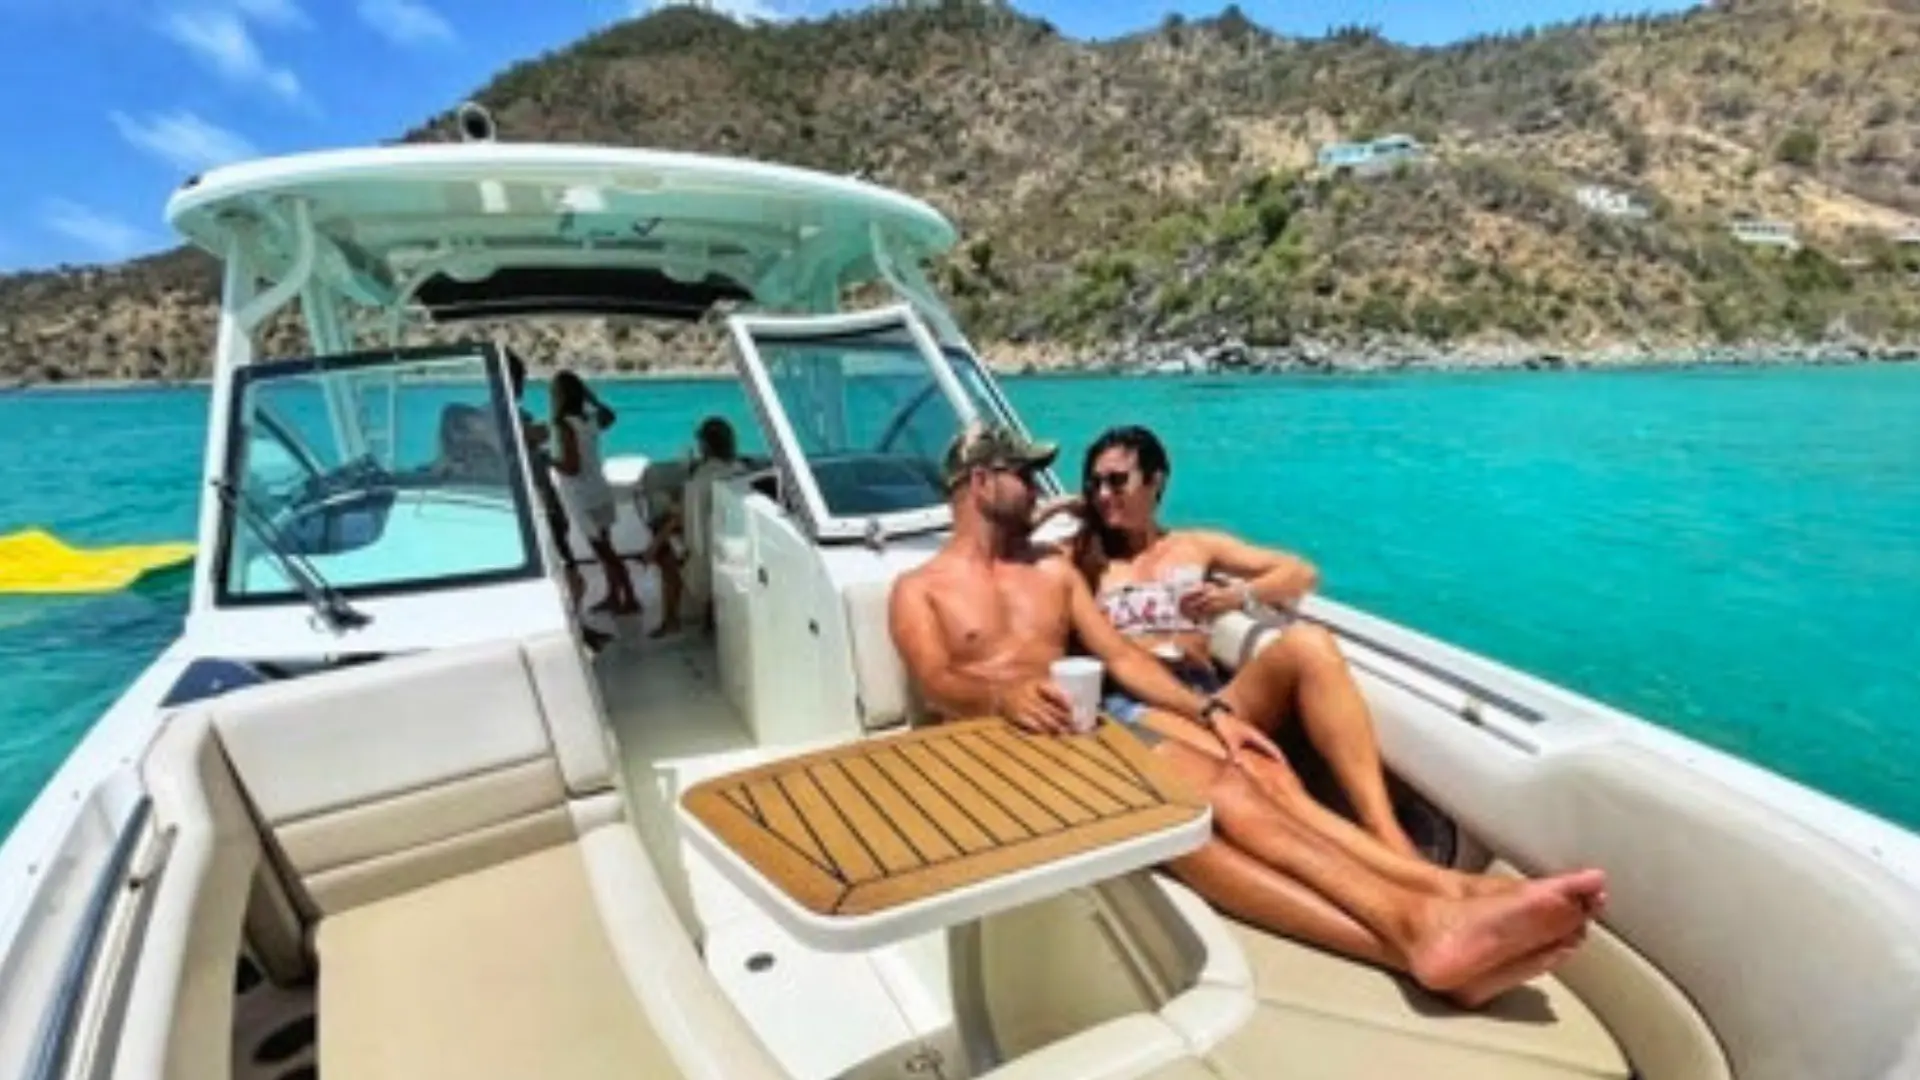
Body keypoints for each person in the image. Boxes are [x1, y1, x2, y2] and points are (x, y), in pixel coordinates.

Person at [888, 421, 1606, 1007]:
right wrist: (1001, 696)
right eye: (1024, 473)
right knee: (1191, 821)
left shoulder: (1050, 573)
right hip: (1001, 753)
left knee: (1230, 787)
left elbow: (1125, 660)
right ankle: (1415, 929)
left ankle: (1442, 898)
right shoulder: (919, 588)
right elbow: (938, 681)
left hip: (1092, 729)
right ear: (981, 483)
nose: (1043, 486)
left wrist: (1210, 711)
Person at [1058, 424, 1420, 859]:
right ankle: (1379, 867)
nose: (1103, 494)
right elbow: (1025, 566)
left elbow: (1300, 572)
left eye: (1117, 481)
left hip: (1207, 692)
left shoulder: (1195, 544)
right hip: (1142, 703)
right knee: (1258, 771)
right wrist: (1060, 510)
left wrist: (1237, 596)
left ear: (1155, 481)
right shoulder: (1084, 558)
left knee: (1310, 643)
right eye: (1094, 483)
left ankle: (1383, 829)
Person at [643, 416, 748, 637]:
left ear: (706, 445)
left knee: (665, 555)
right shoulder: (739, 468)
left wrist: (654, 545)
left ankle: (671, 620)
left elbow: (683, 516)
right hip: (733, 541)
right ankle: (710, 615)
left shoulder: (704, 476)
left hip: (705, 551)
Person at [551, 369, 640, 617]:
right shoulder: (590, 419)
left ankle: (630, 597)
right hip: (600, 490)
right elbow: (610, 416)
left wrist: (548, 460)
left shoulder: (564, 424)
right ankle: (614, 596)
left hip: (582, 496)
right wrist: (592, 399)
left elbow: (572, 467)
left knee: (604, 552)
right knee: (606, 547)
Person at [505, 351, 585, 609]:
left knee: (563, 557)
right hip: (540, 502)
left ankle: (576, 615)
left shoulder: (507, 420)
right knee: (565, 558)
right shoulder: (520, 422)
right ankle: (576, 616)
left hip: (529, 503)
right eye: (521, 379)